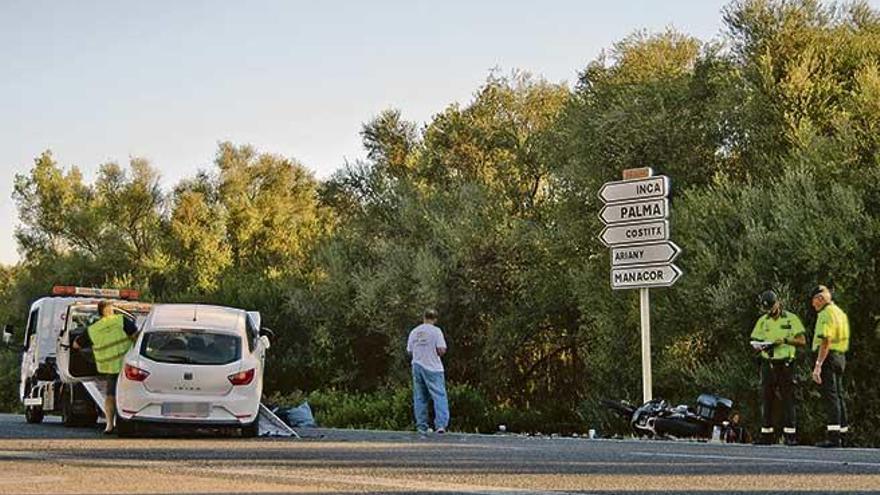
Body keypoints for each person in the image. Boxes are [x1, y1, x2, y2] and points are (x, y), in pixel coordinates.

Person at [72, 300, 138, 433]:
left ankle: (109, 424)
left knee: (110, 395)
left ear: (100, 313)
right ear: (112, 310)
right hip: (128, 365)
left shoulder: (93, 329)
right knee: (132, 392)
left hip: (110, 367)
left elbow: (76, 345)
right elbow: (136, 336)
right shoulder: (121, 320)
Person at [749, 290, 806, 445]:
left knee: (788, 399)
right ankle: (766, 434)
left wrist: (786, 340)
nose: (770, 311)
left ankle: (790, 435)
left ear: (778, 303)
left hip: (786, 363)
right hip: (769, 362)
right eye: (767, 309)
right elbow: (755, 339)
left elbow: (802, 340)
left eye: (771, 307)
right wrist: (759, 346)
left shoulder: (791, 319)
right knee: (767, 398)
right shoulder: (763, 321)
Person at [809, 285, 850, 448]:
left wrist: (818, 365)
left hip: (829, 357)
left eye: (814, 302)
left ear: (820, 299)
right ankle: (843, 434)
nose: (813, 306)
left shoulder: (825, 314)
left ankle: (834, 437)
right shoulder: (839, 312)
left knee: (831, 396)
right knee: (839, 395)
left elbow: (825, 340)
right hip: (841, 357)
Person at [406, 309, 449, 435]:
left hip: (417, 365)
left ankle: (422, 426)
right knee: (439, 395)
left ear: (423, 317)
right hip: (433, 367)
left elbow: (409, 351)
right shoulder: (436, 331)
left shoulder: (415, 331)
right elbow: (441, 349)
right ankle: (441, 425)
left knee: (420, 397)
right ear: (435, 319)